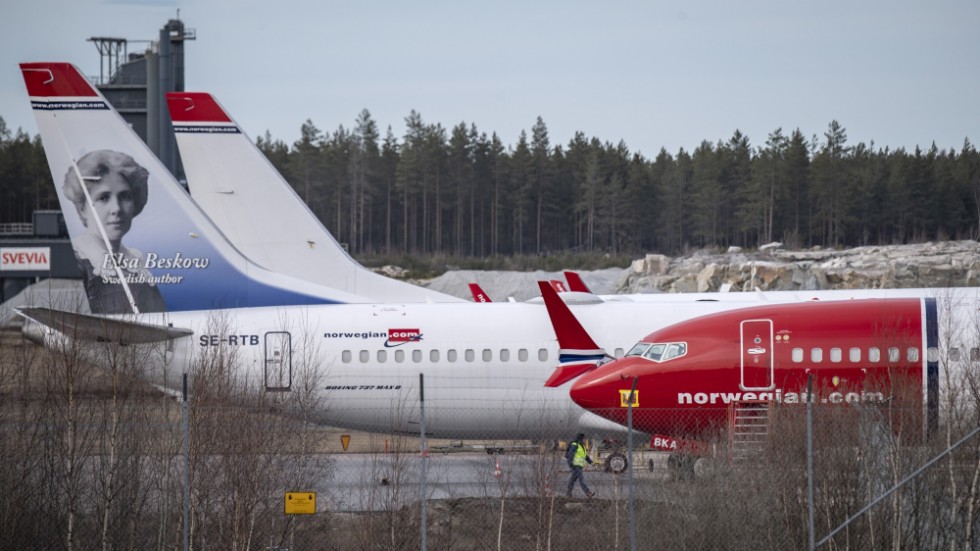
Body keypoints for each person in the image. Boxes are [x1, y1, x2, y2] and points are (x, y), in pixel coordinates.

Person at [63, 149, 166, 314]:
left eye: (125, 197)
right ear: (82, 207)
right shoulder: (79, 262)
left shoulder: (138, 263)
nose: (116, 209)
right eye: (103, 198)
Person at [566, 433, 595, 498]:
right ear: (581, 438)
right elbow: (571, 454)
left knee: (572, 480)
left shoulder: (581, 446)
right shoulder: (575, 445)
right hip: (576, 466)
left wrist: (591, 462)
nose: (585, 440)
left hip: (579, 466)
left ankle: (568, 494)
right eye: (584, 439)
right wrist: (570, 464)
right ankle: (588, 493)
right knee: (581, 480)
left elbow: (584, 456)